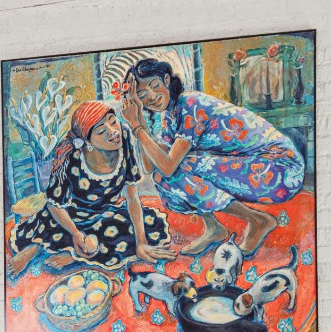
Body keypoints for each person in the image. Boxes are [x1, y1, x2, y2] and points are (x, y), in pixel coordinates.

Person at [120, 58, 305, 257]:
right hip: (259, 169)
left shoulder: (191, 103)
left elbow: (167, 166)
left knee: (177, 168)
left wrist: (137, 128)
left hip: (280, 168)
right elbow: (150, 166)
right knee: (166, 175)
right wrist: (138, 118)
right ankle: (214, 229)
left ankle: (257, 220)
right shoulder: (171, 116)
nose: (152, 96)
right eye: (142, 94)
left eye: (155, 86)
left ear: (166, 79)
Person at [7, 100, 174, 278]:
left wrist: (141, 242)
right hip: (68, 215)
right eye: (101, 131)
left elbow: (132, 198)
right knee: (51, 225)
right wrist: (76, 233)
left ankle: (73, 253)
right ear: (87, 142)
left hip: (103, 213)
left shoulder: (124, 136)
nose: (113, 132)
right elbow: (55, 205)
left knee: (137, 228)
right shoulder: (70, 158)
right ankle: (38, 247)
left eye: (113, 121)